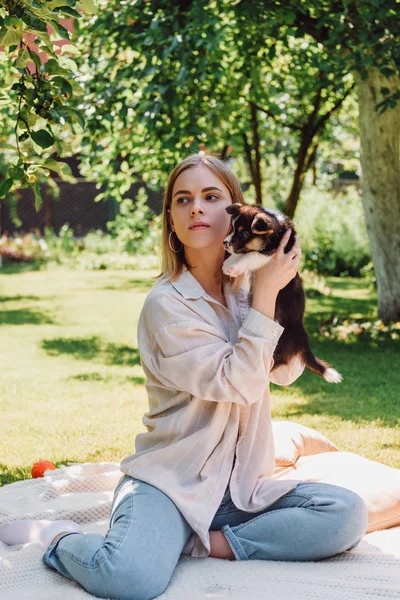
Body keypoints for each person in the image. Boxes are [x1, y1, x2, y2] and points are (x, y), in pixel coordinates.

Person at [0, 153, 368, 600]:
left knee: (346, 513)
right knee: (129, 579)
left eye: (211, 196)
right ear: (172, 222)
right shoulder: (167, 305)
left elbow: (285, 375)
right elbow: (241, 383)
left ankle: (208, 545)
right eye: (183, 199)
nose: (196, 207)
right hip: (171, 483)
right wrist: (268, 295)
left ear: (236, 210)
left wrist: (281, 290)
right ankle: (55, 536)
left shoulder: (247, 288)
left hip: (240, 492)